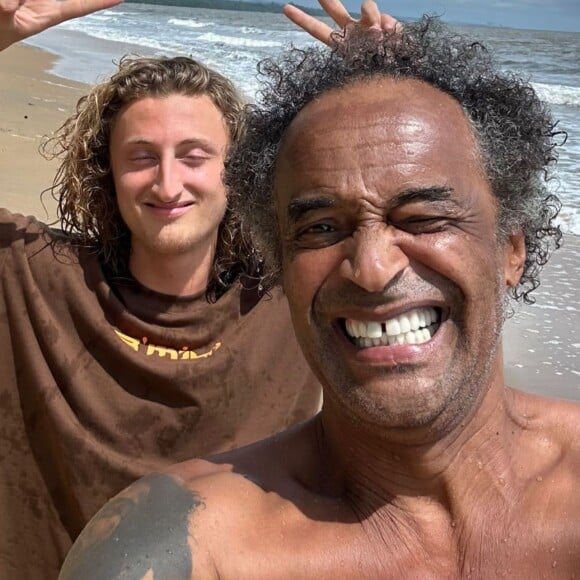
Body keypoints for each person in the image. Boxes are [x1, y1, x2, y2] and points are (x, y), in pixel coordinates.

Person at [60, 11, 580, 579]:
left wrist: (407, 91)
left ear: (511, 249)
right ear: (280, 269)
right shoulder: (191, 546)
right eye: (321, 229)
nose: (373, 269)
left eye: (424, 217)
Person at [0, 0, 396, 576]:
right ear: (105, 173)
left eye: (194, 156)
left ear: (236, 172)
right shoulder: (31, 273)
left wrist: (397, 83)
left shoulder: (294, 295)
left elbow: (434, 222)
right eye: (141, 157)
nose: (167, 182)